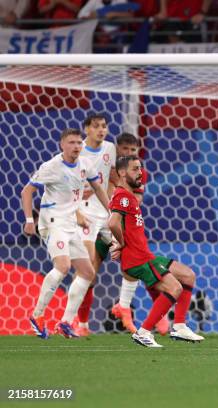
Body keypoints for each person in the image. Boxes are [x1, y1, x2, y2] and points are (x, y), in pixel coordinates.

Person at [22, 128, 110, 339]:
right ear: (62, 144)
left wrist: (112, 211)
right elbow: (27, 191)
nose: (76, 146)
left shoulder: (85, 164)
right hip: (53, 223)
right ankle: (37, 315)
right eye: (71, 142)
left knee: (88, 273)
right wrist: (28, 220)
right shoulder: (51, 167)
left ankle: (65, 323)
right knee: (63, 266)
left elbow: (98, 188)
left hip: (71, 225)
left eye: (79, 143)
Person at [108, 155, 203, 347]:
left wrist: (121, 243)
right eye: (135, 169)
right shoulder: (122, 196)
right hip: (138, 258)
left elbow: (120, 225)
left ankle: (179, 325)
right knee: (174, 288)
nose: (140, 172)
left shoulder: (130, 196)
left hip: (145, 255)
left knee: (188, 276)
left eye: (140, 168)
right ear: (122, 172)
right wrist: (122, 243)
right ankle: (143, 332)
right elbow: (112, 223)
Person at [71, 113, 116, 336]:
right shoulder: (78, 151)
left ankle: (157, 318)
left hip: (106, 214)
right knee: (87, 269)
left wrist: (112, 207)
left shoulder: (110, 149)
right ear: (86, 129)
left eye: (104, 126)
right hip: (85, 215)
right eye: (97, 126)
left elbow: (113, 177)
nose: (101, 130)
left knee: (134, 256)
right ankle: (80, 324)